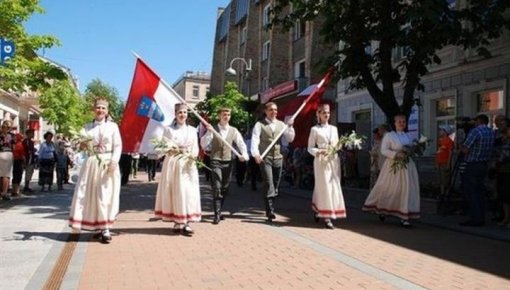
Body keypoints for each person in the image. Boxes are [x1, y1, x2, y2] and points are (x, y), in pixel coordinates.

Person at [68, 97, 122, 244]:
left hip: (107, 163)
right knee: (89, 194)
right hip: (91, 163)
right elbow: (76, 142)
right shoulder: (87, 127)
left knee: (105, 195)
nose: (100, 110)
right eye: (98, 108)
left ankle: (105, 228)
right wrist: (81, 144)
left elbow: (117, 146)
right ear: (94, 109)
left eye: (103, 108)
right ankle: (97, 225)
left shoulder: (113, 127)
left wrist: (114, 161)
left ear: (107, 111)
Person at [362, 114, 420, 227]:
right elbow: (384, 150)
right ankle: (382, 208)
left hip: (407, 166)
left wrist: (411, 151)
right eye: (399, 121)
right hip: (393, 166)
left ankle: (405, 215)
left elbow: (412, 148)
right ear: (395, 123)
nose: (402, 123)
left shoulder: (409, 136)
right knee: (389, 188)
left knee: (407, 189)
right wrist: (396, 154)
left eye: (403, 121)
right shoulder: (389, 135)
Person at [154, 103, 201, 236]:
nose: (182, 115)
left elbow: (195, 146)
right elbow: (162, 146)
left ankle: (186, 222)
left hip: (187, 164)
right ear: (175, 114)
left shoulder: (192, 130)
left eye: (185, 112)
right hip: (173, 163)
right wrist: (170, 148)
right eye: (180, 112)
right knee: (176, 191)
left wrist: (192, 156)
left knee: (188, 191)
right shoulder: (168, 129)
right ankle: (177, 220)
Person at [200, 107, 249, 224]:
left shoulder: (234, 130)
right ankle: (217, 215)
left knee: (225, 188)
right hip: (215, 160)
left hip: (228, 161)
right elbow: (203, 144)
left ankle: (219, 210)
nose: (226, 116)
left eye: (228, 114)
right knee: (217, 186)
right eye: (224, 114)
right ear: (219, 116)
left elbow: (241, 143)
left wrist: (244, 155)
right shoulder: (213, 129)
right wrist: (209, 132)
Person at [251, 102, 295, 222]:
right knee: (268, 182)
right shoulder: (259, 125)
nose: (274, 112)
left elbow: (290, 139)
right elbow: (255, 139)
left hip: (278, 157)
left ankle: (271, 203)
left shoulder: (281, 124)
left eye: (275, 110)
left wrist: (290, 127)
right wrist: (256, 154)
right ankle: (270, 210)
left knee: (275, 183)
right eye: (271, 110)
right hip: (265, 158)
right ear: (266, 111)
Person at [307, 104, 346, 229]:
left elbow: (337, 144)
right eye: (323, 112)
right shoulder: (315, 129)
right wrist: (318, 151)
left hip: (333, 160)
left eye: (328, 112)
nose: (326, 114)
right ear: (318, 114)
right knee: (324, 186)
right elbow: (310, 147)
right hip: (321, 160)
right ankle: (327, 217)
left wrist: (339, 146)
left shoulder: (334, 129)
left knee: (333, 186)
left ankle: (319, 207)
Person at [459, 114, 495, 226]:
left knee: (472, 192)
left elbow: (465, 150)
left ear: (479, 121)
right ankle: (481, 216)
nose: (473, 122)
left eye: (475, 120)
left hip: (472, 164)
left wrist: (461, 145)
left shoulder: (475, 131)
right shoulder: (491, 132)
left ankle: (475, 218)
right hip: (484, 164)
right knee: (480, 191)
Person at [436, 126, 455, 197]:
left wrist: (448, 164)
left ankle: (446, 194)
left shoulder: (449, 141)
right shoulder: (440, 140)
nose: (440, 131)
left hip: (445, 163)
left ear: (445, 132)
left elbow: (450, 153)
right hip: (439, 163)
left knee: (446, 180)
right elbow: (439, 152)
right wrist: (437, 162)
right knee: (440, 179)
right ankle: (442, 193)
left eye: (442, 130)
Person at [0, 120, 15, 200]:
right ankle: (4, 193)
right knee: (6, 175)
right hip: (8, 153)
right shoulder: (12, 136)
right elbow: (14, 147)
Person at [22, 129, 36, 193]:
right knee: (28, 172)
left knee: (30, 172)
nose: (33, 134)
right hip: (28, 159)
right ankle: (26, 187)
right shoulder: (26, 141)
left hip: (31, 159)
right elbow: (28, 150)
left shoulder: (30, 141)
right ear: (28, 134)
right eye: (31, 133)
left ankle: (27, 186)